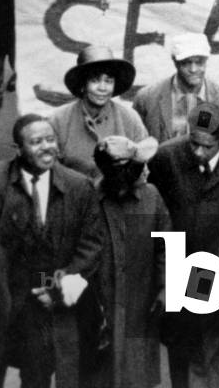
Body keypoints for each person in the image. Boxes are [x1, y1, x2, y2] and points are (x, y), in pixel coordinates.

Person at [0, 114, 105, 388]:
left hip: (43, 295)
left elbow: (91, 244)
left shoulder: (78, 185)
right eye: (36, 142)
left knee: (38, 375)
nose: (46, 147)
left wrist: (59, 289)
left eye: (50, 139)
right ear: (19, 149)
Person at [147, 102, 219, 388]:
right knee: (180, 347)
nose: (197, 151)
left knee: (208, 349)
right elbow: (155, 214)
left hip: (217, 265)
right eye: (193, 143)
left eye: (206, 147)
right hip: (177, 266)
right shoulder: (166, 157)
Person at [84, 139, 170, 388]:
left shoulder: (151, 196)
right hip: (97, 308)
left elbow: (168, 244)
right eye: (138, 165)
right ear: (118, 170)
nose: (145, 170)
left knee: (137, 374)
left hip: (141, 308)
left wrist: (167, 288)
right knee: (98, 375)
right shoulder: (87, 199)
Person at [49, 45, 156, 178]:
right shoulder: (58, 120)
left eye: (108, 81)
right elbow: (50, 170)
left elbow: (143, 164)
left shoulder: (129, 117)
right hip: (74, 195)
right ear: (83, 84)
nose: (103, 88)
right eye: (95, 80)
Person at [133, 32, 219, 143]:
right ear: (175, 62)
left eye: (199, 62)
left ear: (206, 61)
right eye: (186, 63)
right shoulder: (147, 97)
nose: (193, 69)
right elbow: (136, 145)